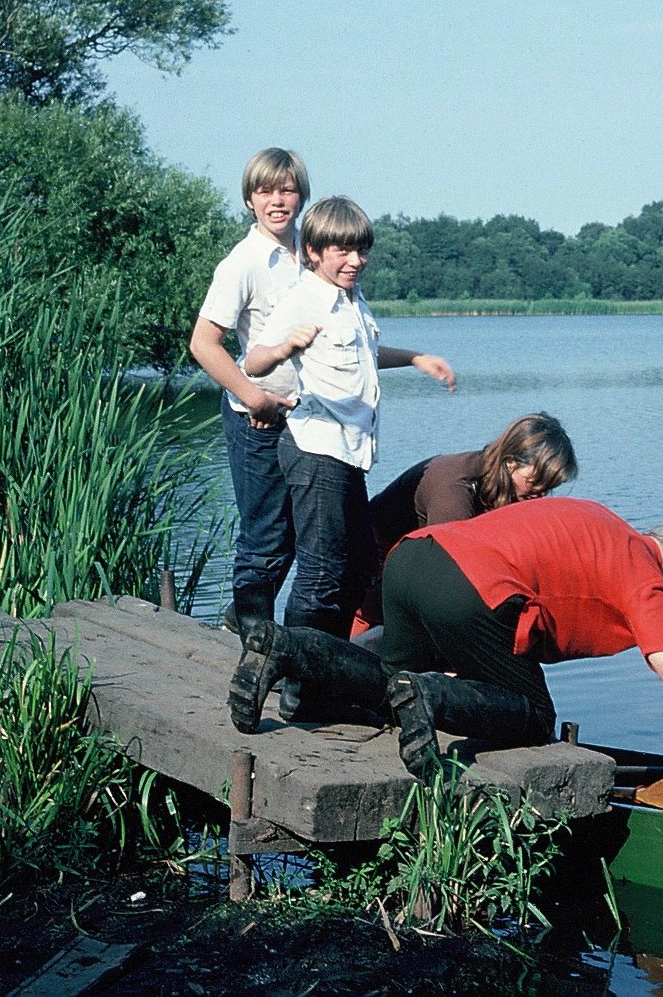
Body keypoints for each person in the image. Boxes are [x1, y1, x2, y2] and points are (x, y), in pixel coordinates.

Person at [226, 496, 663, 803]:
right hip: (473, 584)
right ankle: (428, 696)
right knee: (533, 716)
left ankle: (288, 647)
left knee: (384, 687)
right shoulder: (645, 573)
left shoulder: (601, 522)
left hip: (414, 558)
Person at [241, 196, 454, 715]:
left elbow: (366, 354)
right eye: (342, 251)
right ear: (313, 251)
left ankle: (325, 675)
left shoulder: (351, 299)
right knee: (321, 572)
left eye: (361, 250)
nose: (355, 260)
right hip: (316, 448)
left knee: (357, 564)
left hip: (347, 454)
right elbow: (253, 360)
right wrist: (284, 349)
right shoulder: (304, 298)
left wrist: (417, 358)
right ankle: (299, 688)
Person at [187, 148, 309, 634]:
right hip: (256, 418)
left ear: (301, 196)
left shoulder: (311, 254)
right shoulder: (243, 263)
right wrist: (254, 396)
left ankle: (246, 623)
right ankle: (244, 638)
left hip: (307, 418)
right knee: (265, 538)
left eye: (287, 190)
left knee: (300, 535)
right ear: (249, 200)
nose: (276, 200)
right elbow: (203, 343)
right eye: (265, 191)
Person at [352, 412, 578, 643]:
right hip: (373, 573)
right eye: (535, 482)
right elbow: (448, 571)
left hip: (414, 567)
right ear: (511, 462)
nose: (540, 494)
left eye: (549, 487)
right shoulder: (454, 486)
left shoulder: (508, 488)